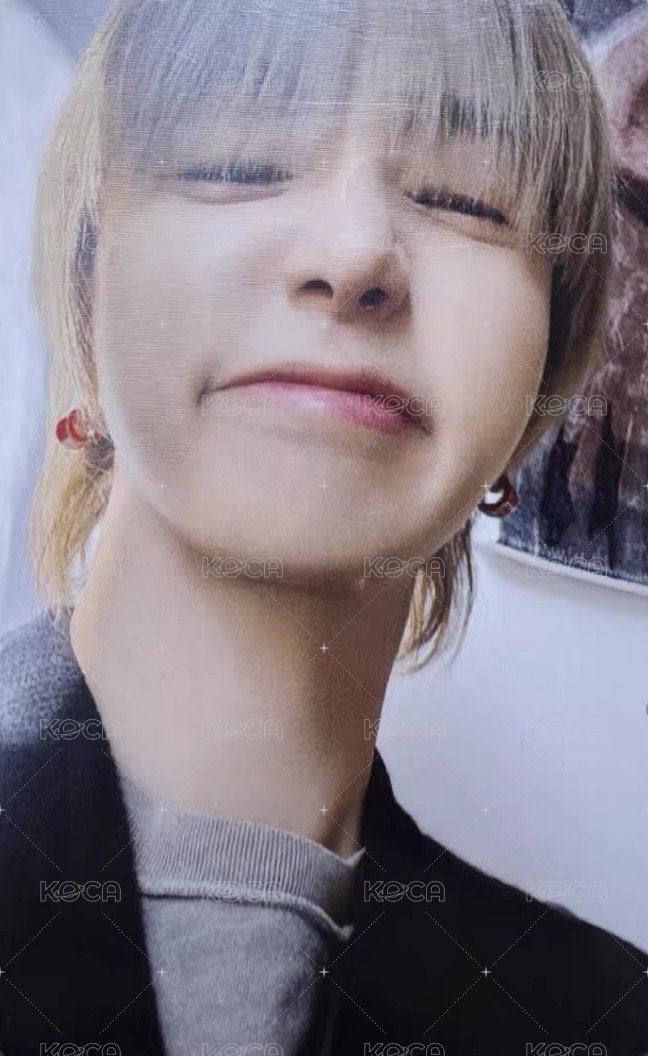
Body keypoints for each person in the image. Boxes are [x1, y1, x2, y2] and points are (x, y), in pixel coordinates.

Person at [1, 0, 646, 1053]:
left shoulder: (603, 1020)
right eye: (238, 165)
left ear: (543, 380)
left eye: (465, 199)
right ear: (86, 298)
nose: (354, 258)